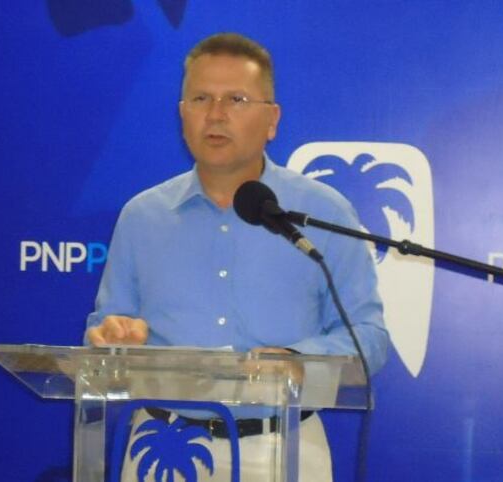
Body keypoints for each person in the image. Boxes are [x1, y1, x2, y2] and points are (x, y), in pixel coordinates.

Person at [85, 32, 388, 482]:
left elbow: (369, 338)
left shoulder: (323, 213)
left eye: (237, 99)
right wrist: (113, 336)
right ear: (182, 114)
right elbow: (105, 329)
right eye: (200, 98)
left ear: (272, 120)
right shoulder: (142, 216)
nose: (216, 114)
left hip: (283, 447)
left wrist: (299, 359)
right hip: (165, 446)